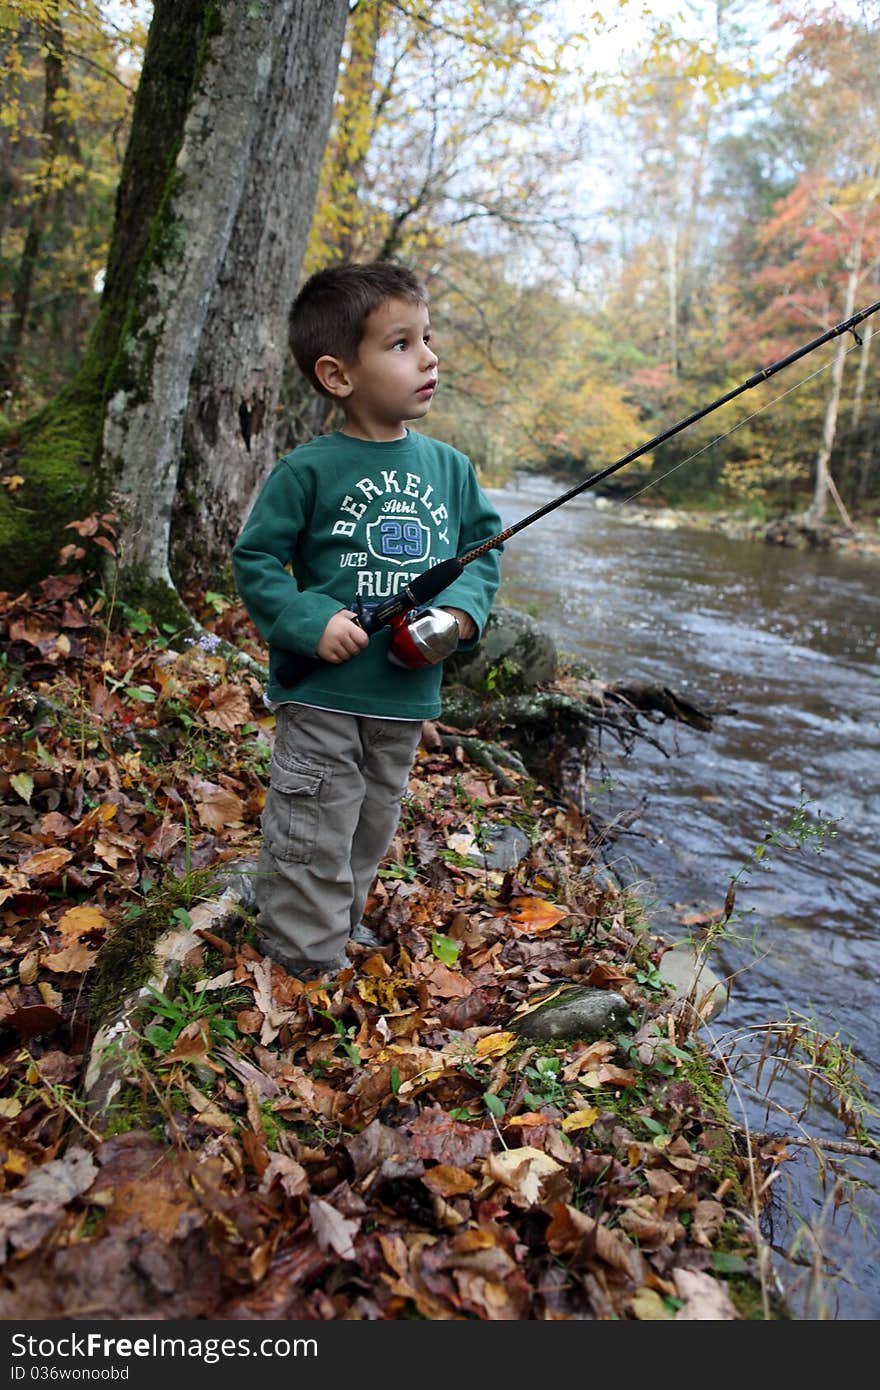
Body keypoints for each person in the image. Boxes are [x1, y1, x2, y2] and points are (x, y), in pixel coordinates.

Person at [232, 261, 503, 981]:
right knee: (315, 822)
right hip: (322, 690)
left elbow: (482, 556)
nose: (429, 357)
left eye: (428, 339)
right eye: (401, 343)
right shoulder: (308, 470)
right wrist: (309, 618)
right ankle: (300, 962)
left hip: (404, 697)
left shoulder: (453, 470)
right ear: (338, 375)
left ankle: (338, 930)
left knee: (370, 824)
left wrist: (461, 616)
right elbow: (256, 559)